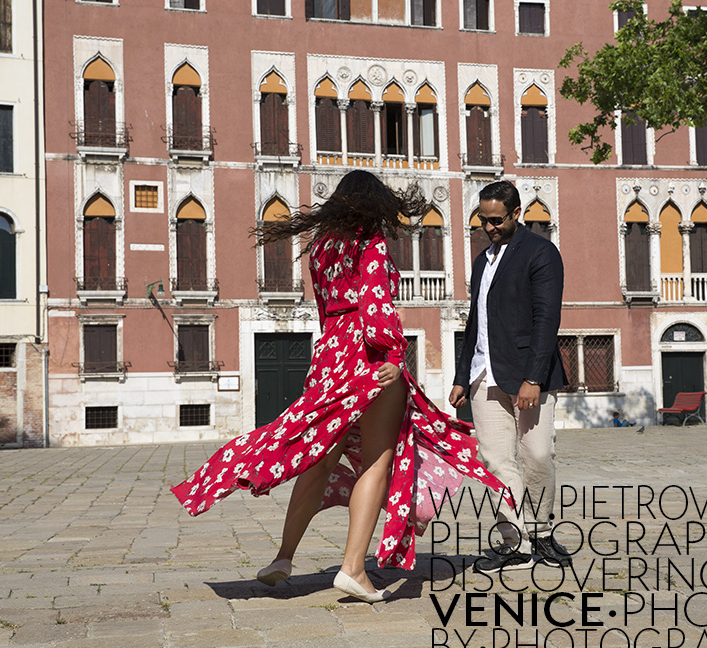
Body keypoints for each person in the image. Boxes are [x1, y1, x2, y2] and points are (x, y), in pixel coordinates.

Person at [170, 171, 513, 604]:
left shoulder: (323, 246)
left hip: (331, 352)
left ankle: (283, 557)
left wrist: (338, 348)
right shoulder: (369, 239)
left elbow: (324, 309)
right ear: (373, 203)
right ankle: (353, 569)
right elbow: (375, 301)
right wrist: (392, 355)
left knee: (320, 458)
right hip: (368, 353)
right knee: (378, 460)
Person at [448, 180, 569, 573]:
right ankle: (514, 542)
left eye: (496, 220)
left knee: (536, 454)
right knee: (497, 460)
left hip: (527, 375)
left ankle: (540, 530)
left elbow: (546, 320)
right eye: (483, 220)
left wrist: (533, 378)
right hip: (485, 373)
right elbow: (475, 324)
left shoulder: (542, 254)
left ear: (517, 214)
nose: (490, 227)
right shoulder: (482, 261)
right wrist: (462, 376)